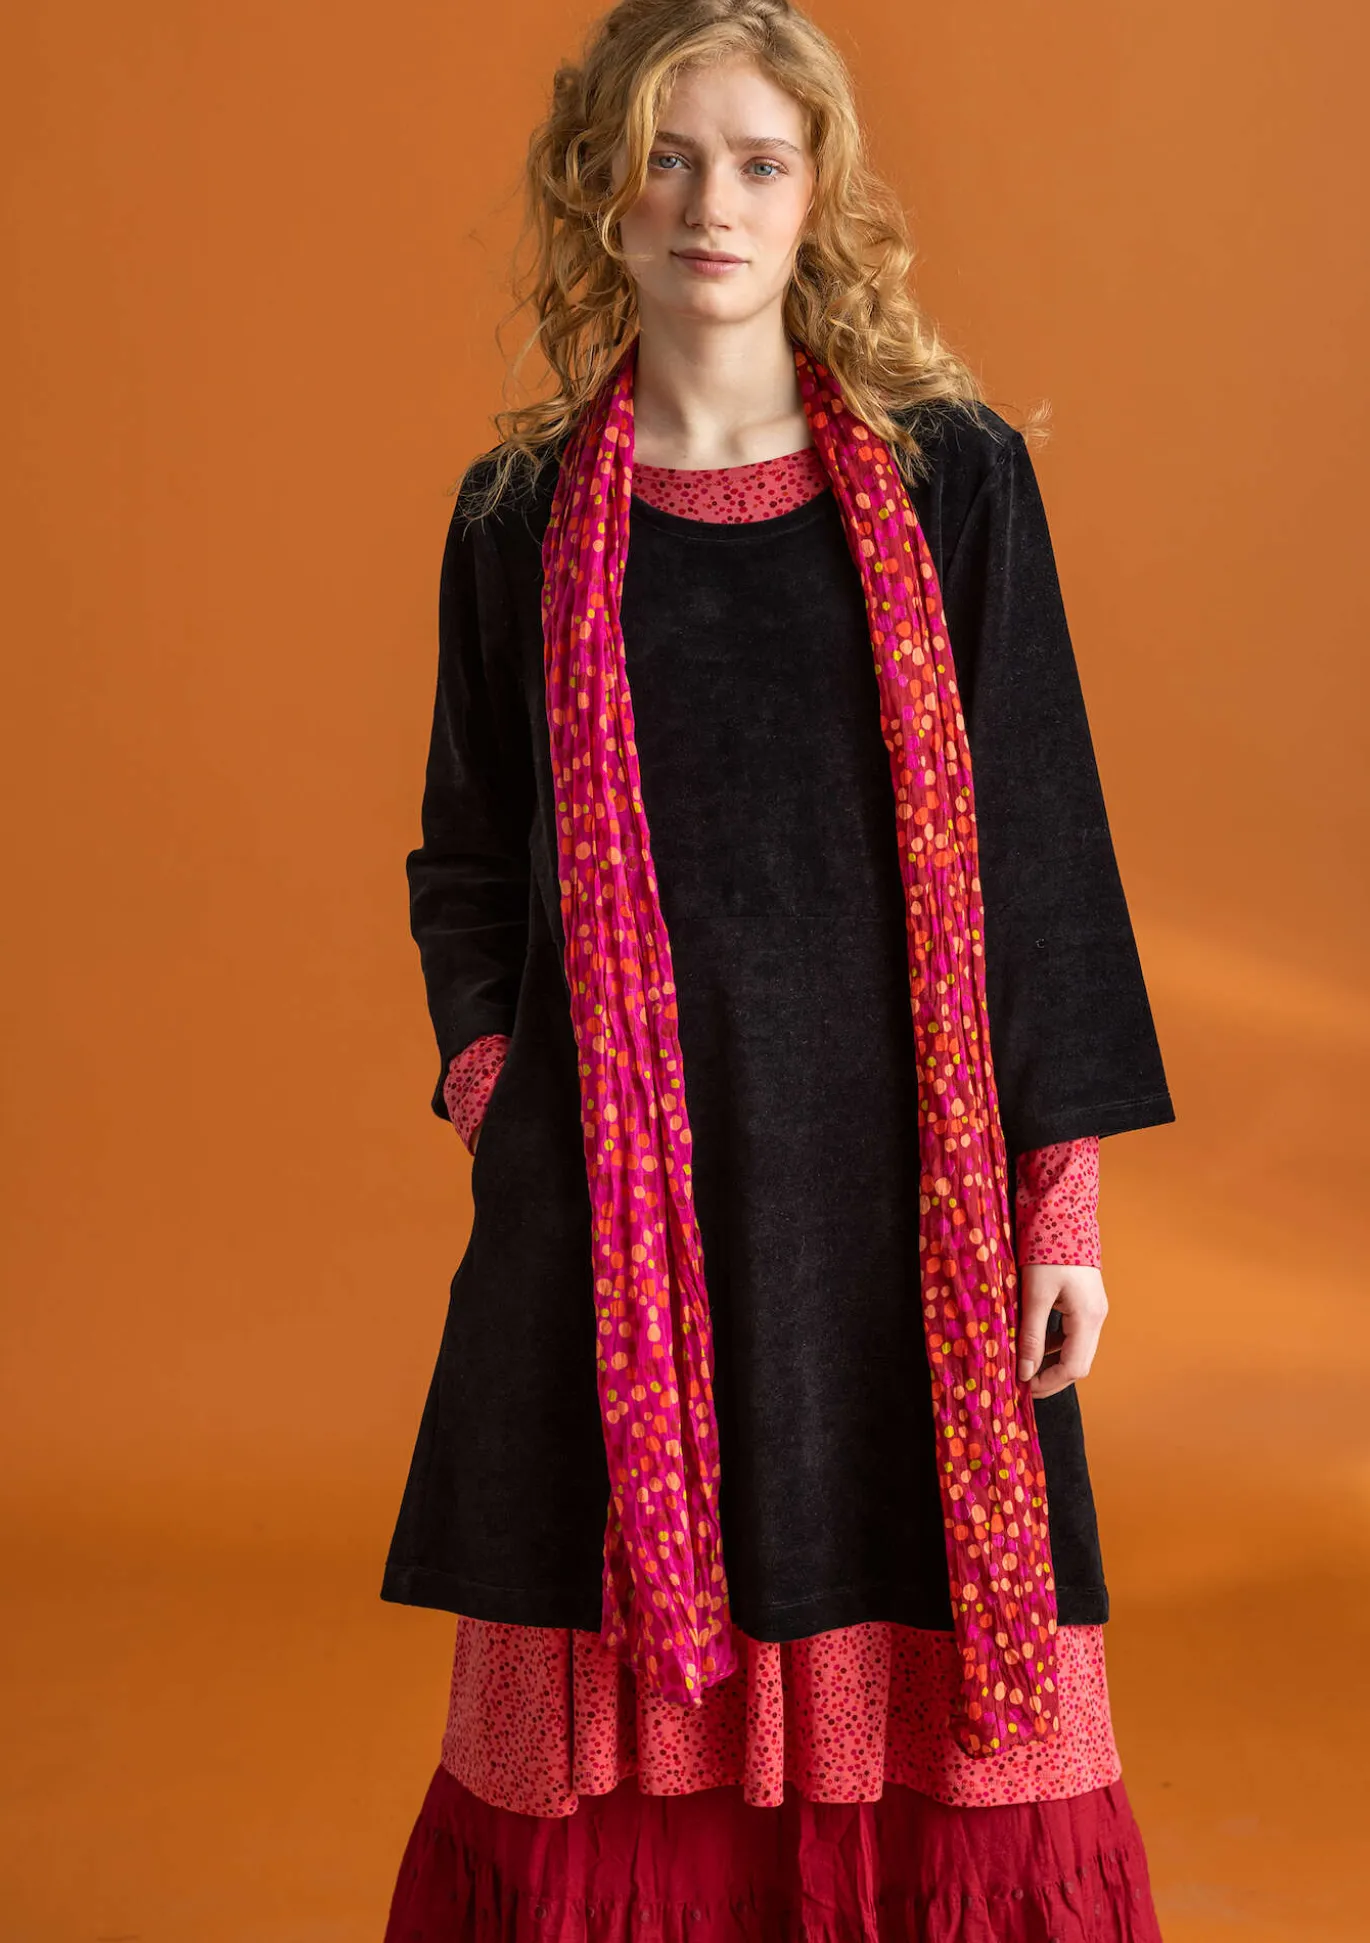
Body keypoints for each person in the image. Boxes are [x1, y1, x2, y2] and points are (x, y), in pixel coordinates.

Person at [380, 1, 1175, 1935]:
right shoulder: (515, 521)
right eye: (663, 159)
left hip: (902, 1207)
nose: (708, 205)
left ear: (818, 195)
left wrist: (1057, 1202)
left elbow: (1039, 846)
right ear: (601, 192)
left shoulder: (950, 480)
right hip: (614, 1221)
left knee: (934, 1635)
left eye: (754, 161)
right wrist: (505, 1096)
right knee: (579, 1674)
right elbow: (467, 857)